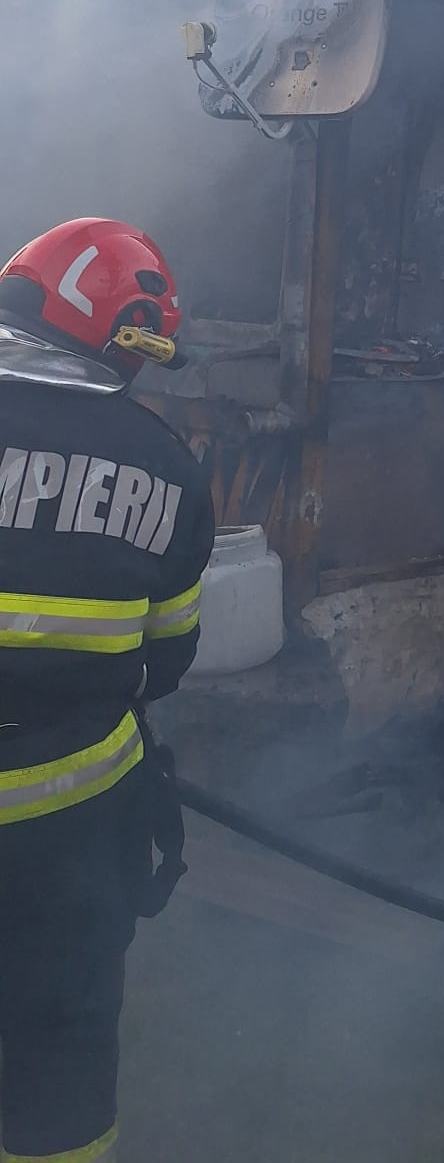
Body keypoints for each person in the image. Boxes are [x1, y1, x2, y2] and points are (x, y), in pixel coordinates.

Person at [0, 220, 213, 1163]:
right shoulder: (167, 466)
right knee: (60, 1050)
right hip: (73, 829)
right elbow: (167, 659)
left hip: (73, 824)